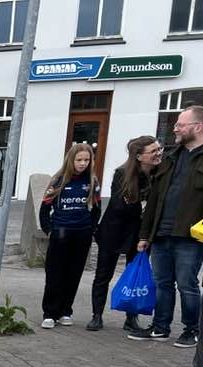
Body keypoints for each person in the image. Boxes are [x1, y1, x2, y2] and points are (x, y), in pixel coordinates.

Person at [129, 105, 203, 349]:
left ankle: (192, 330)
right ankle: (160, 327)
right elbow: (154, 200)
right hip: (161, 234)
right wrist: (144, 234)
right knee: (162, 284)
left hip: (190, 237)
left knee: (187, 285)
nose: (175, 128)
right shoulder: (170, 157)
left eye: (180, 124)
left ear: (197, 127)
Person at [86, 136, 163, 332]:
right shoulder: (122, 174)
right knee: (103, 274)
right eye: (153, 151)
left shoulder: (159, 174)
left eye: (158, 149)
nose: (158, 153)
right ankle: (97, 316)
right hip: (114, 230)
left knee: (136, 274)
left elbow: (142, 204)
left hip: (141, 234)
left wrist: (139, 206)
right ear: (139, 156)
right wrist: (143, 207)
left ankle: (131, 318)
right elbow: (120, 206)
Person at [38, 143, 102, 329]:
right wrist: (49, 230)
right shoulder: (58, 180)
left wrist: (91, 230)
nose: (82, 164)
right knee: (54, 274)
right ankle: (50, 312)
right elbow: (44, 208)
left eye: (86, 160)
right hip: (60, 234)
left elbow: (96, 209)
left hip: (81, 234)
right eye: (79, 160)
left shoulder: (92, 182)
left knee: (73, 275)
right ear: (71, 160)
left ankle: (66, 310)